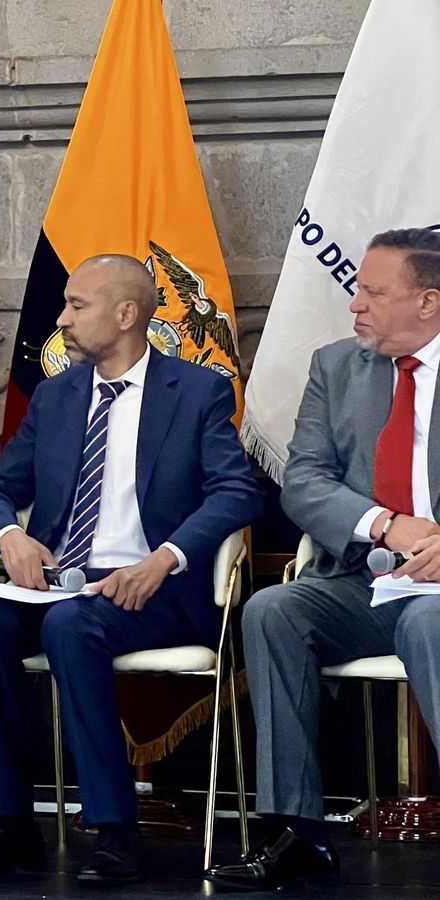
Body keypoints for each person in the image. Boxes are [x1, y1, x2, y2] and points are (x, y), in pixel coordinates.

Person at [0, 255, 262, 886]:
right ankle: (7, 823)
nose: (62, 319)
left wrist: (164, 559)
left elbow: (237, 492)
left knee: (71, 628)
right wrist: (10, 536)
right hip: (61, 582)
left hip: (152, 588)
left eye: (77, 305)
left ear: (126, 313)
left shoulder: (196, 392)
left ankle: (114, 830)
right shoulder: (56, 396)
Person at [207, 228, 440, 891]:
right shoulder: (338, 366)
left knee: (428, 624)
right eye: (356, 289)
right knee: (275, 609)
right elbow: (305, 482)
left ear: (427, 302)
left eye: (373, 291)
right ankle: (296, 831)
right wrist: (387, 526)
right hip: (366, 579)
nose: (355, 304)